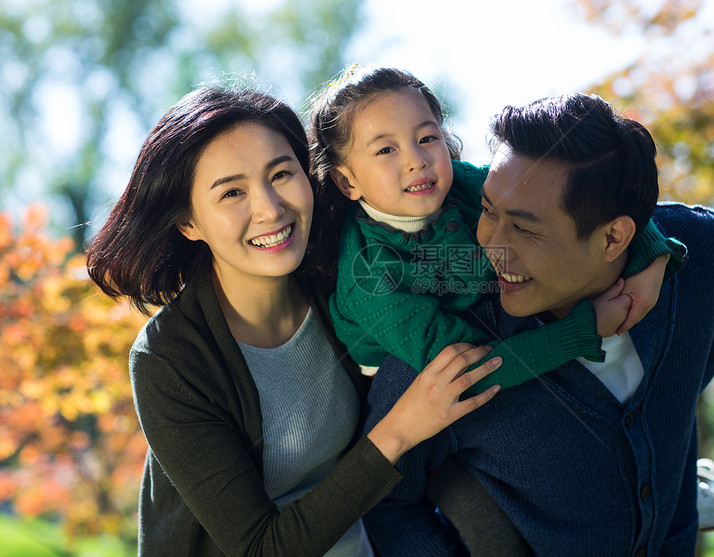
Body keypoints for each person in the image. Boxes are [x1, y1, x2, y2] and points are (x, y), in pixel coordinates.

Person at [85, 82, 504, 556]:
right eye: (232, 193)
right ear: (189, 223)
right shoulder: (170, 359)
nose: (269, 209)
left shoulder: (340, 280)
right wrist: (398, 429)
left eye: (281, 174)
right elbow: (259, 548)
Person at [361, 92, 714, 555]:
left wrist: (681, 394)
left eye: (524, 228)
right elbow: (383, 499)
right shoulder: (445, 348)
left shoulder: (692, 253)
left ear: (615, 237)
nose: (491, 245)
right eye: (488, 210)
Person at [309, 65, 686, 392]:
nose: (417, 160)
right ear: (347, 183)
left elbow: (602, 198)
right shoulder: (369, 275)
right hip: (411, 368)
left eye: (427, 138)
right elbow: (471, 369)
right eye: (385, 150)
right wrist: (582, 330)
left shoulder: (463, 183)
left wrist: (652, 256)